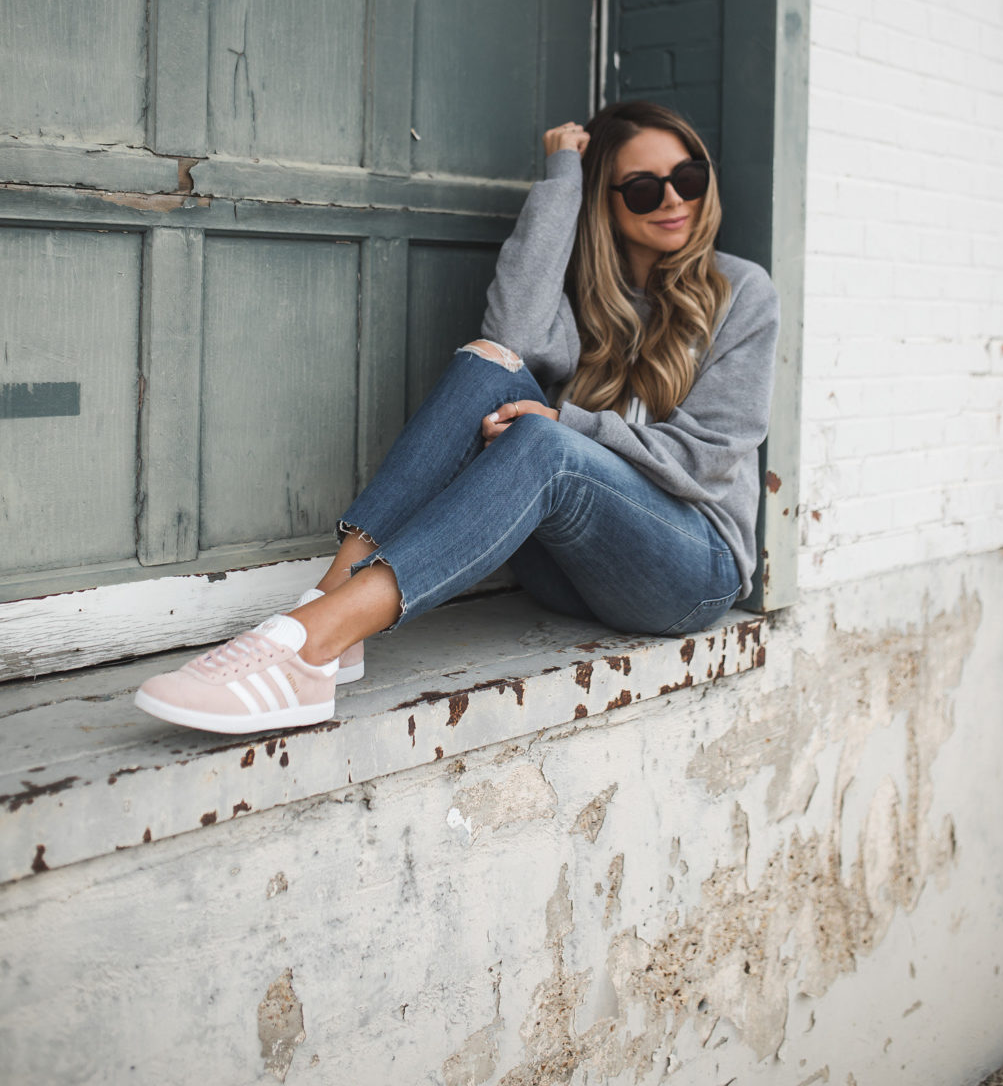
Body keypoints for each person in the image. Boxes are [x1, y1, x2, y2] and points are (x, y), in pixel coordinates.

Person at [134, 100, 780, 735]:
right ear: (602, 202)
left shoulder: (741, 291)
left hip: (689, 570)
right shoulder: (581, 298)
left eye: (688, 178)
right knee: (487, 361)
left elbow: (708, 456)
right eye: (642, 189)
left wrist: (565, 423)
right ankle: (331, 598)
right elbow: (512, 336)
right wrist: (562, 179)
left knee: (545, 441)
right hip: (568, 573)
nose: (673, 200)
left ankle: (313, 642)